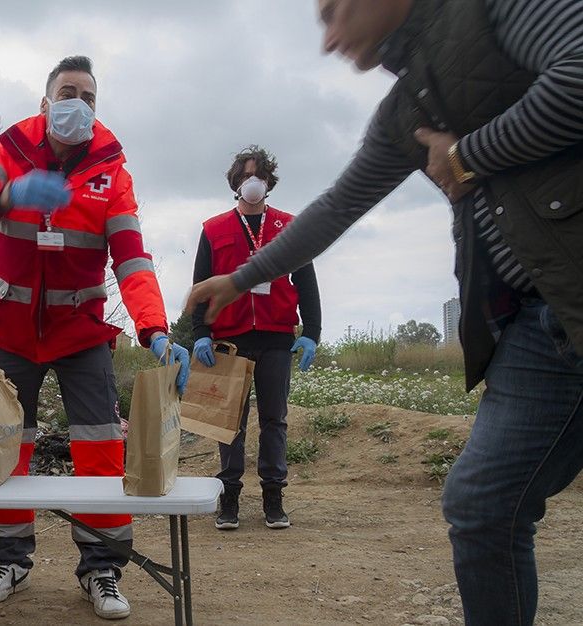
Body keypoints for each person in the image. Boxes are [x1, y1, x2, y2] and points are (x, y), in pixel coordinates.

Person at [187, 1, 583, 623]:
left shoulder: (493, 8)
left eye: (337, 11)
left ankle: (271, 497)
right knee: (482, 505)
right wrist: (238, 280)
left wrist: (470, 155)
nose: (329, 38)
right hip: (535, 324)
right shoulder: (407, 108)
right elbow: (339, 206)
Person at [0, 55, 190, 620]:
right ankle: (8, 560)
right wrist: (11, 194)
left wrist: (155, 330)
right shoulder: (9, 150)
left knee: (102, 446)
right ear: (44, 102)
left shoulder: (113, 170)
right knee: (6, 451)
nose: (77, 104)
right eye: (67, 92)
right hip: (11, 331)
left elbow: (132, 259)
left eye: (88, 96)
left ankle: (102, 568)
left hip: (81, 333)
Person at [191, 146, 321, 531]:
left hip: (277, 337)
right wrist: (201, 333)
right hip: (230, 338)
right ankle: (228, 495)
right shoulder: (213, 229)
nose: (254, 182)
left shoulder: (289, 226)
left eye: (260, 175)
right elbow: (200, 284)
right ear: (236, 182)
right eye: (247, 175)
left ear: (268, 182)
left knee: (274, 419)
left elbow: (307, 282)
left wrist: (311, 332)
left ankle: (273, 496)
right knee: (229, 421)